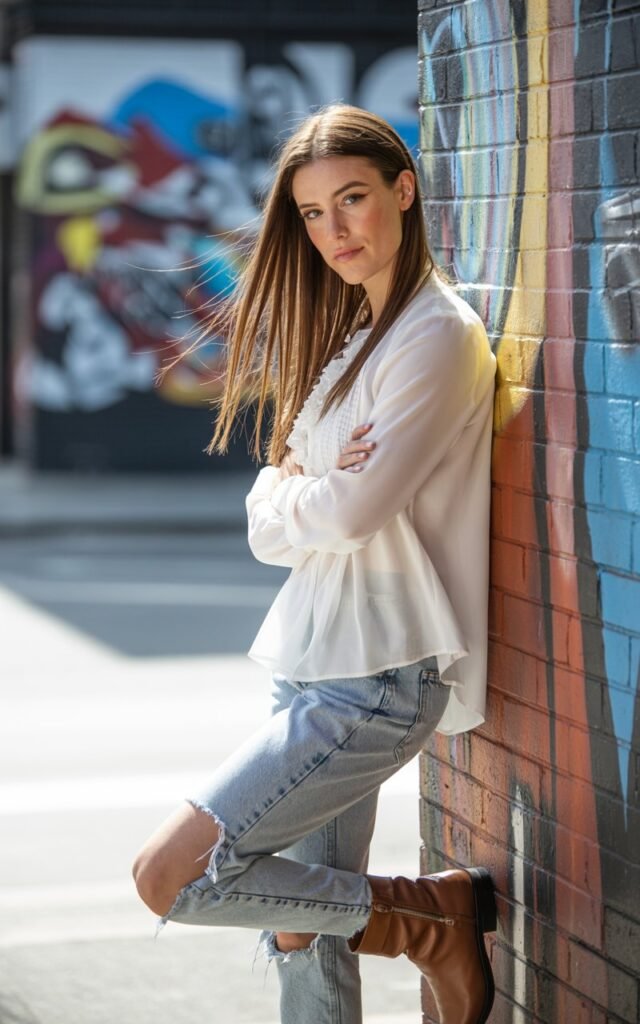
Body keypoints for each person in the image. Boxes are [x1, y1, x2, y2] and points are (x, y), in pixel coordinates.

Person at [133, 104, 498, 1024]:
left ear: (403, 193)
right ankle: (418, 919)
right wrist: (307, 490)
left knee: (173, 875)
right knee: (299, 928)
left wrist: (310, 489)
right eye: (311, 213)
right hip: (312, 663)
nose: (333, 231)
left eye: (353, 200)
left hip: (378, 675)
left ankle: (427, 920)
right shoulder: (352, 341)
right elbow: (271, 519)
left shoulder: (435, 336)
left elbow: (354, 507)